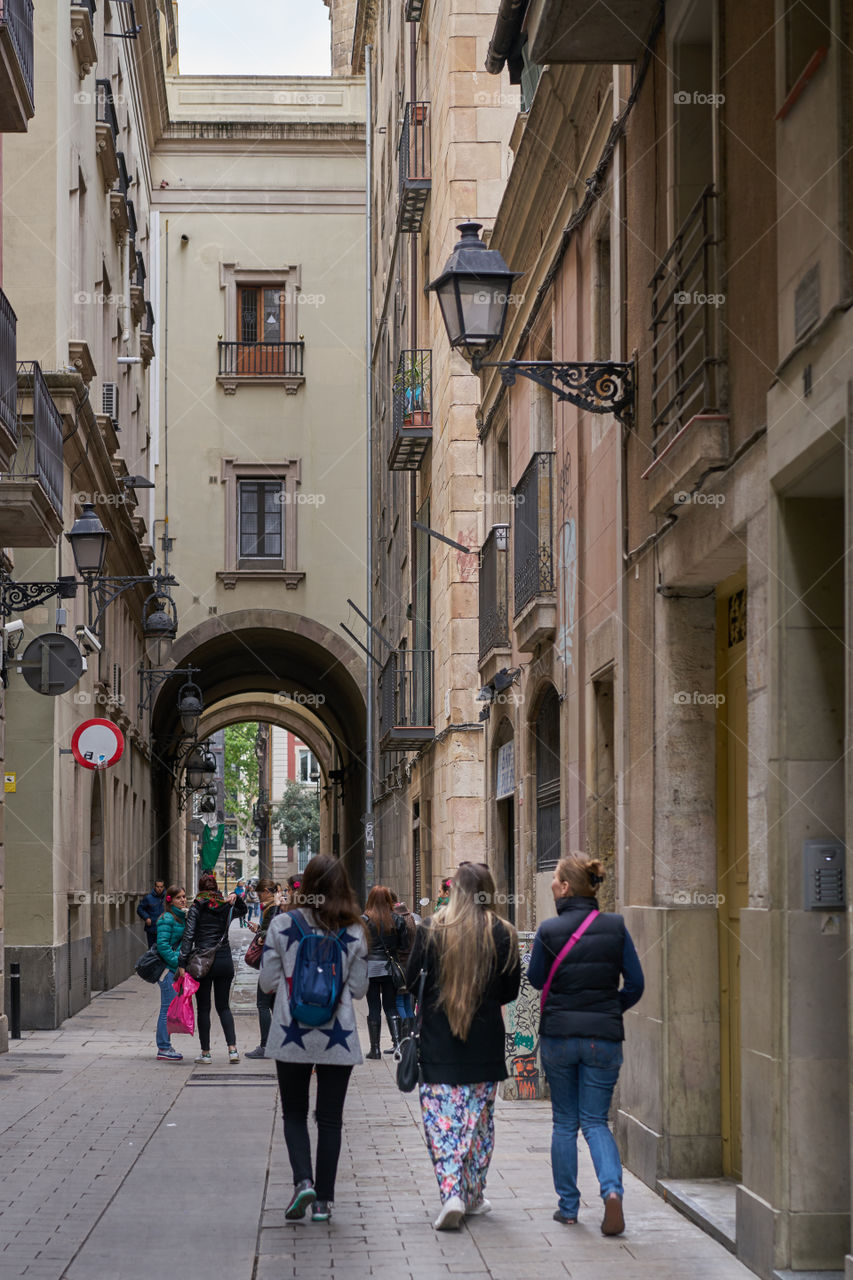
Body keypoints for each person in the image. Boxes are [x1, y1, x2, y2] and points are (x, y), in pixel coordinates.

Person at [526, 853, 645, 1236]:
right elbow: (636, 984)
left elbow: (535, 980)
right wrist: (611, 1008)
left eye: (554, 881)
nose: (551, 887)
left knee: (564, 1123)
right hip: (603, 1039)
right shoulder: (615, 927)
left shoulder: (548, 931)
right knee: (596, 1121)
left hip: (559, 1037)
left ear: (564, 887)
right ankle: (612, 1193)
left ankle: (569, 1208)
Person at [406, 862, 520, 1230]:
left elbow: (410, 981)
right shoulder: (504, 933)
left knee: (443, 1125)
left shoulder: (430, 929)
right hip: (485, 1049)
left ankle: (453, 1192)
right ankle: (471, 1194)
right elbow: (510, 991)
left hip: (439, 1047)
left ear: (453, 889)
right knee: (478, 1125)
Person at [260, 853, 368, 1223]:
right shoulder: (354, 930)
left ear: (304, 886)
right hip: (338, 1037)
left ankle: (302, 1180)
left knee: (293, 1112)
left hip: (292, 1035)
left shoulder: (283, 924)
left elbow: (267, 983)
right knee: (330, 1119)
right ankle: (323, 1201)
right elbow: (357, 989)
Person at [176, 871, 247, 1064]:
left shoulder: (196, 907)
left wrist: (182, 963)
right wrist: (237, 898)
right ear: (216, 888)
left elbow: (188, 937)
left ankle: (206, 1053)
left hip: (202, 963)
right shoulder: (225, 906)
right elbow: (243, 911)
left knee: (204, 1008)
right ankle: (232, 1050)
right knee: (224, 1006)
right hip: (224, 960)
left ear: (200, 889)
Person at [362, 885, 409, 1058]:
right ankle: (397, 1045)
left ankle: (375, 1049)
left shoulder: (364, 919)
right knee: (390, 1006)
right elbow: (403, 946)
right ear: (389, 900)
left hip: (371, 968)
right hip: (390, 968)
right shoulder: (397, 920)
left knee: (373, 1007)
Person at [245, 877, 281, 1059]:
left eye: (260, 893)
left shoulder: (273, 908)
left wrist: (261, 935)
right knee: (274, 1004)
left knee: (262, 1004)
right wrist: (259, 929)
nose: (258, 897)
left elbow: (272, 933)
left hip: (271, 962)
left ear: (267, 891)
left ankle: (266, 1046)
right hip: (277, 962)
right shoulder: (274, 907)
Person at [154, 884, 187, 1062]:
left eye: (184, 896)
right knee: (166, 1009)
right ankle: (164, 1047)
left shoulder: (181, 917)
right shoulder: (167, 918)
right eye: (178, 897)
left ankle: (165, 1046)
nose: (183, 900)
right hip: (167, 971)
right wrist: (179, 963)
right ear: (170, 900)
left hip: (174, 970)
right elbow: (163, 946)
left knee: (169, 1007)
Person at [393, 900, 420, 1032]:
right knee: (408, 1003)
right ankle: (412, 1033)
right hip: (410, 965)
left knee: (399, 1001)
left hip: (400, 964)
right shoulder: (411, 918)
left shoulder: (398, 920)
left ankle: (403, 1036)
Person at [137, 879, 166, 947]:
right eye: (158, 887)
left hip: (164, 930)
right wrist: (146, 917)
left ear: (163, 887)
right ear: (155, 887)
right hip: (152, 929)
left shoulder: (167, 898)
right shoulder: (148, 898)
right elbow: (140, 909)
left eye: (161, 887)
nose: (159, 889)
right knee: (152, 951)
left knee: (163, 949)